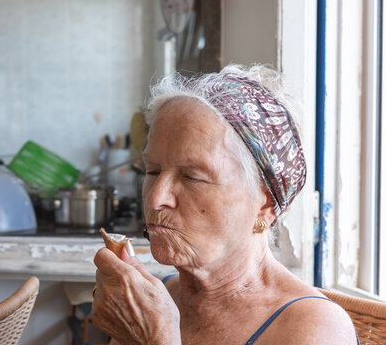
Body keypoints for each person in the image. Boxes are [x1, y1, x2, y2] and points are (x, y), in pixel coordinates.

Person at [91, 65, 358, 344]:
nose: (156, 198)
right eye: (153, 171)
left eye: (192, 177)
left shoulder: (314, 329)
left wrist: (154, 338)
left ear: (264, 203)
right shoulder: (154, 301)